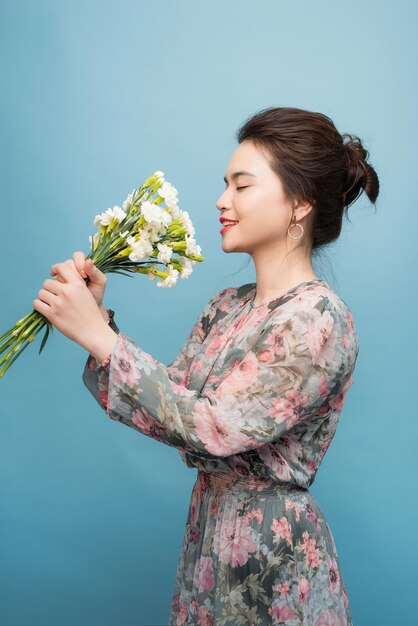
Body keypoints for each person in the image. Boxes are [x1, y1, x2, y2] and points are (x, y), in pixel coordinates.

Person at [33, 106, 379, 625]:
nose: (221, 200)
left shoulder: (320, 319)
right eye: (225, 184)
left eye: (242, 186)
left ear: (300, 202)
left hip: (272, 559)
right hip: (209, 542)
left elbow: (212, 427)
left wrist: (99, 337)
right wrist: (98, 321)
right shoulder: (226, 306)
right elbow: (172, 406)